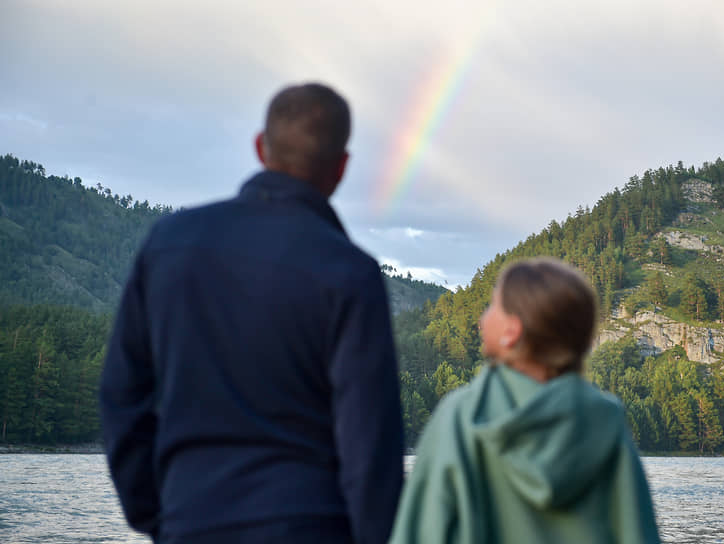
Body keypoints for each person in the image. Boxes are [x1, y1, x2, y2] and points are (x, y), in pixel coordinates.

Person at [100, 83, 404, 544]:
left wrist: (157, 515)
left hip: (189, 519)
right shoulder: (350, 274)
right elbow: (370, 444)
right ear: (341, 168)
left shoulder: (167, 245)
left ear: (260, 147)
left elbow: (122, 397)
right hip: (312, 526)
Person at [389, 257, 660, 543]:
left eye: (493, 306)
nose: (482, 319)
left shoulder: (460, 416)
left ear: (512, 331)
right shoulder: (606, 420)